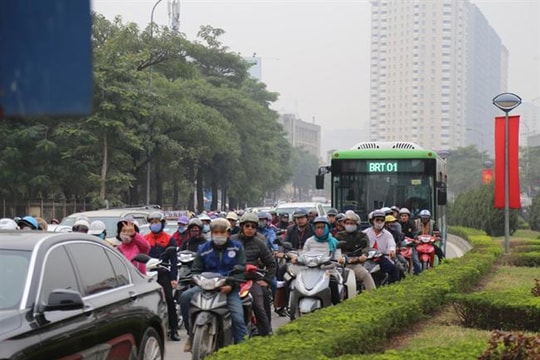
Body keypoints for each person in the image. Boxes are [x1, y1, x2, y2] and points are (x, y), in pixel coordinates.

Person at [180, 218, 247, 352]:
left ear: (228, 233)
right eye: (215, 232)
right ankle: (191, 335)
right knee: (185, 297)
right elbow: (196, 270)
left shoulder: (237, 247)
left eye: (222, 232)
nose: (219, 235)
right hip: (206, 286)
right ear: (211, 233)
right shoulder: (203, 248)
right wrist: (195, 279)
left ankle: (243, 350)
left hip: (228, 288)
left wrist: (231, 286)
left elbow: (241, 270)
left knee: (238, 319)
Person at [231, 212, 276, 336]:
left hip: (251, 281)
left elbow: (272, 263)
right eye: (247, 226)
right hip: (232, 280)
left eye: (253, 226)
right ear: (242, 227)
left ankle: (267, 333)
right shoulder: (231, 241)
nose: (250, 229)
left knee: (258, 305)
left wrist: (266, 280)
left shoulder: (259, 243)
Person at [144, 211, 180, 341]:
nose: (154, 225)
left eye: (157, 222)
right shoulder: (145, 239)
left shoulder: (169, 239)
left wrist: (173, 279)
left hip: (163, 272)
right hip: (148, 273)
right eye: (152, 222)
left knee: (169, 300)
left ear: (162, 223)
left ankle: (174, 329)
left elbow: (174, 261)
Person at [296, 216, 341, 304]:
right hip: (310, 270)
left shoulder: (334, 242)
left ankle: (336, 305)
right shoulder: (309, 241)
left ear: (327, 228)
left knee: (333, 282)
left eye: (322, 227)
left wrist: (339, 259)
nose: (319, 230)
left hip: (328, 270)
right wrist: (297, 259)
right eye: (317, 227)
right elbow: (303, 255)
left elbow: (338, 256)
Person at [335, 212, 376, 291]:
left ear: (357, 224)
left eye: (352, 223)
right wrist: (339, 257)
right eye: (347, 223)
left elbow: (366, 247)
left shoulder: (362, 236)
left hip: (355, 263)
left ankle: (373, 295)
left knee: (365, 274)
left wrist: (364, 255)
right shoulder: (339, 236)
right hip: (340, 265)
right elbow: (336, 249)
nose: (349, 225)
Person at [362, 210, 400, 283]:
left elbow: (391, 244)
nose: (379, 222)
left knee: (393, 269)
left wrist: (392, 251)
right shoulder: (365, 233)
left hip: (381, 259)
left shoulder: (388, 234)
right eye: (377, 220)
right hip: (367, 259)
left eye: (382, 220)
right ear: (372, 221)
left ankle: (393, 287)